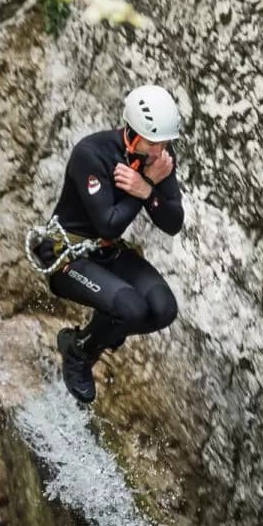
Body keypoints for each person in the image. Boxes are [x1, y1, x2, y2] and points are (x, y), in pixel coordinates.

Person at [34, 84, 186, 403]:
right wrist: (144, 188)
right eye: (153, 142)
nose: (159, 151)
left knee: (164, 309)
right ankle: (79, 354)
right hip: (68, 258)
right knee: (131, 308)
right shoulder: (92, 154)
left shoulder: (156, 164)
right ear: (132, 132)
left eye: (165, 143)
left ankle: (96, 336)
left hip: (107, 252)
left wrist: (147, 189)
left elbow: (173, 222)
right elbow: (109, 222)